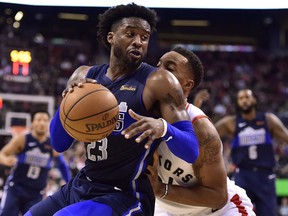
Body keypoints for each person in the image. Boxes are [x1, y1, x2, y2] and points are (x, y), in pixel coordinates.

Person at [24, 3, 199, 216]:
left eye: (144, 37)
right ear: (111, 37)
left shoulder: (159, 81)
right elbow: (59, 144)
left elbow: (191, 151)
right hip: (82, 184)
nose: (138, 42)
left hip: (125, 195)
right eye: (130, 34)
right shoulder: (83, 76)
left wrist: (163, 128)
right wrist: (67, 105)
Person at [146, 47, 255, 215]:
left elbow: (218, 196)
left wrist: (161, 189)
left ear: (187, 84)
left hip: (218, 210)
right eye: (158, 65)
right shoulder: (140, 110)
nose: (159, 72)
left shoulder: (201, 128)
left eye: (169, 68)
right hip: (168, 209)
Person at [214, 88, 288, 216]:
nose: (244, 101)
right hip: (243, 174)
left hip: (265, 175)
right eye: (241, 98)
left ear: (254, 100)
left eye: (247, 97)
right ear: (237, 103)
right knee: (239, 212)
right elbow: (207, 134)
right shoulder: (230, 122)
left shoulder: (268, 119)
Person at [0, 110, 71, 216]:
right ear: (32, 122)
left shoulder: (52, 144)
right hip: (15, 190)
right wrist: (6, 160)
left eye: (45, 120)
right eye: (39, 120)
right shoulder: (22, 139)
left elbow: (62, 165)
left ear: (48, 123)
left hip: (36, 194)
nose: (42, 123)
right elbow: (2, 154)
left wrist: (69, 181)